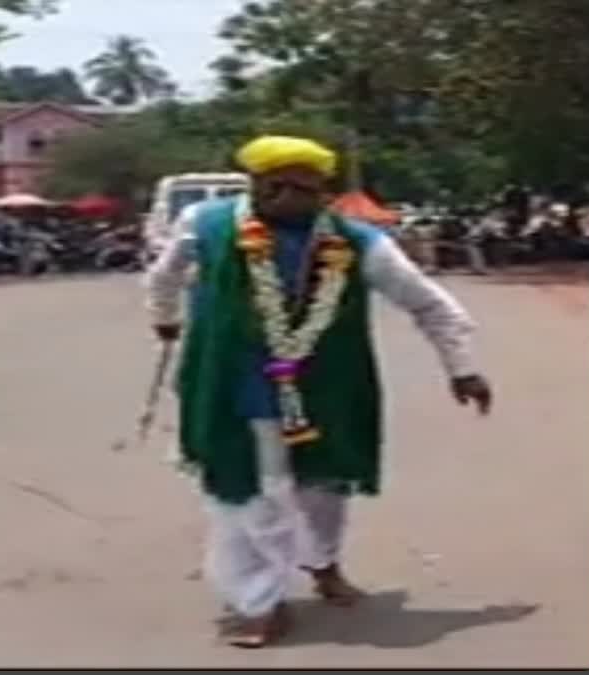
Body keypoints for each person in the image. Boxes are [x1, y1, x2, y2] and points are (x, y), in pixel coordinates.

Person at [144, 135, 493, 648]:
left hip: (327, 382)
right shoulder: (206, 224)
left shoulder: (357, 241)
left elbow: (429, 303)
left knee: (322, 486)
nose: (286, 197)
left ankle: (322, 562)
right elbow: (163, 276)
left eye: (301, 189)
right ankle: (259, 601)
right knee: (249, 490)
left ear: (323, 192)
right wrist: (165, 319)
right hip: (235, 382)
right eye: (273, 186)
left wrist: (461, 367)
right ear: (254, 185)